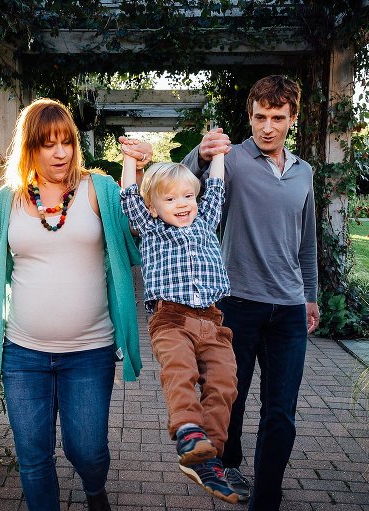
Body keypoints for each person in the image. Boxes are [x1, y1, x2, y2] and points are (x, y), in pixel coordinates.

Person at [0, 98, 152, 511]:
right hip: (23, 352)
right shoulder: (9, 200)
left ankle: (94, 489)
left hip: (89, 351)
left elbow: (136, 230)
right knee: (33, 458)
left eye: (66, 142)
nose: (60, 152)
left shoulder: (99, 190)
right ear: (30, 148)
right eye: (48, 143)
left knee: (86, 450)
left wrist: (139, 172)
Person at [182, 75, 320, 510]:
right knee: (231, 399)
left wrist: (311, 294)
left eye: (277, 118)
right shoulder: (234, 160)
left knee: (280, 412)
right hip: (237, 304)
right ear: (250, 116)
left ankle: (267, 497)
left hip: (290, 310)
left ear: (292, 119)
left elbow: (307, 240)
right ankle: (230, 461)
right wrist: (201, 156)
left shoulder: (304, 172)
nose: (267, 127)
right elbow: (180, 184)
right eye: (260, 117)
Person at [119, 151, 239, 504]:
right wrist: (128, 160)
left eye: (188, 196)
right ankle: (188, 430)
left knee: (225, 381)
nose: (182, 204)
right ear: (153, 207)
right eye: (170, 199)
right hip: (170, 318)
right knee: (180, 370)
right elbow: (129, 193)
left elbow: (215, 187)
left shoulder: (206, 221)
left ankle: (207, 454)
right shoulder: (151, 227)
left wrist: (218, 155)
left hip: (212, 320)